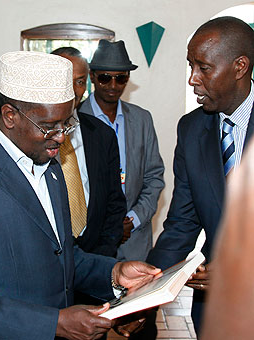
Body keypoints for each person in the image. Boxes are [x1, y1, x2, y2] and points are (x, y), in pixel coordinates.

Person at [0, 50, 161, 340]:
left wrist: (114, 273)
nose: (61, 136)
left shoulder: (52, 169)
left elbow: (61, 256)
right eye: (48, 126)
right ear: (10, 116)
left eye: (66, 123)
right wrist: (53, 323)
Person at [146, 16, 254, 335]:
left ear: (240, 66)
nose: (193, 79)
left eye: (203, 67)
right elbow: (182, 224)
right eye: (191, 65)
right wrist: (144, 292)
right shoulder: (192, 129)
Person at [79, 39, 164, 262]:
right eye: (105, 77)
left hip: (135, 241)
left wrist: (133, 219)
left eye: (121, 78)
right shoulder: (76, 119)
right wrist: (110, 224)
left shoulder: (142, 119)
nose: (113, 85)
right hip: (91, 243)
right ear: (92, 76)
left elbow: (154, 178)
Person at [51, 47, 126, 257]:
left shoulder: (103, 134)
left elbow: (114, 202)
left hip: (96, 259)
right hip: (46, 262)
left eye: (80, 81)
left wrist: (104, 255)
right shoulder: (30, 136)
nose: (74, 89)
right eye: (65, 79)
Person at [200, 138, 254, 340]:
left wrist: (232, 270)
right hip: (214, 308)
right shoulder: (192, 128)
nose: (198, 103)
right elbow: (182, 221)